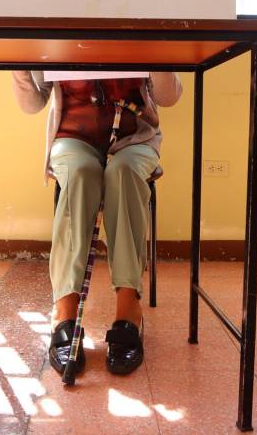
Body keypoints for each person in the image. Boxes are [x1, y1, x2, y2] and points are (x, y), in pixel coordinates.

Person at [12, 71, 182, 375]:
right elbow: (31, 104)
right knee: (80, 174)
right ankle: (64, 309)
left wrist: (159, 51)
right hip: (73, 137)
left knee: (124, 173)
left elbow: (168, 97)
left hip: (135, 137)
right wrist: (20, 64)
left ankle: (129, 308)